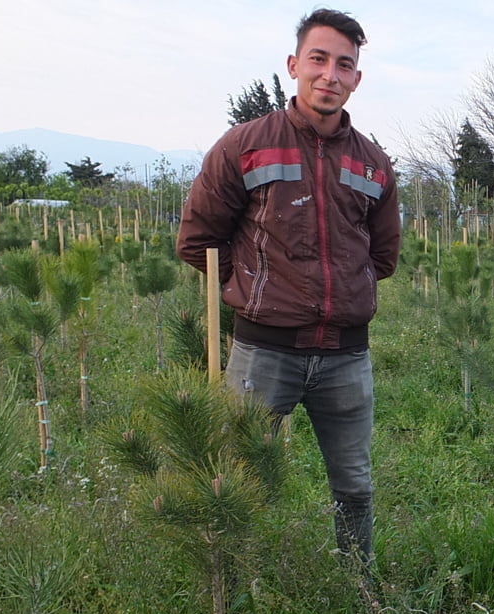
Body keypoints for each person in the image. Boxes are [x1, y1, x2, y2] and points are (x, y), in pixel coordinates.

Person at [177, 9, 400, 567]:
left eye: (344, 65)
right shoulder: (244, 147)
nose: (330, 74)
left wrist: (346, 293)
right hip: (262, 352)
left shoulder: (372, 164)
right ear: (294, 65)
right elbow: (198, 240)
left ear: (356, 79)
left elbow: (383, 255)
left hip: (346, 356)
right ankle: (234, 585)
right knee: (240, 481)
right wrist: (255, 290)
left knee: (355, 485)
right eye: (319, 59)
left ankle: (358, 590)